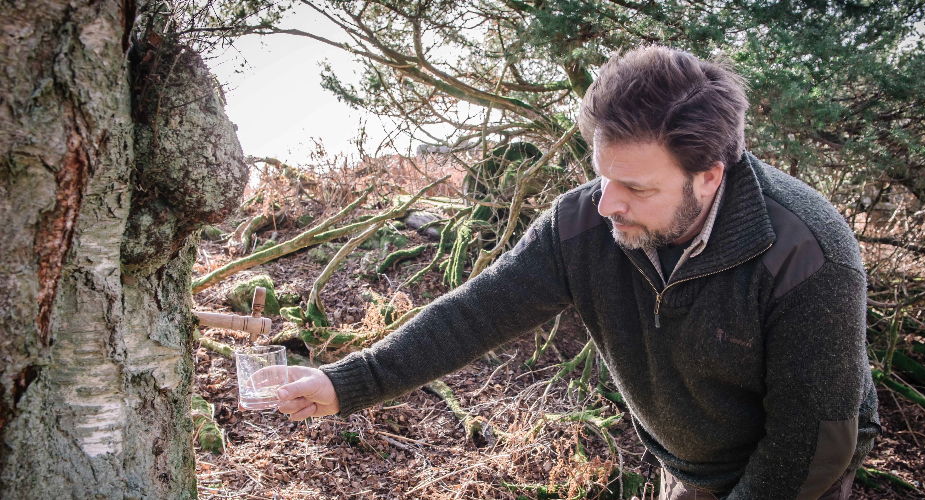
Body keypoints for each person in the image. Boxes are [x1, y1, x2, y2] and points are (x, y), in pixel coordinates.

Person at [271, 45, 880, 499]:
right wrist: (346, 383)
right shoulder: (583, 224)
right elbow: (475, 313)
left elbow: (812, 442)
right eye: (602, 175)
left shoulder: (808, 254)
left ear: (710, 175)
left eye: (635, 187)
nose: (608, 203)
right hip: (686, 465)